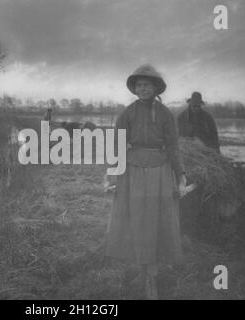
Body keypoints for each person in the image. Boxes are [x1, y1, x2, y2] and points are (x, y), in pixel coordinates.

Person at [104, 64, 187, 299]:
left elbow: (173, 147)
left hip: (161, 171)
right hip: (133, 172)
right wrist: (111, 177)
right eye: (139, 85)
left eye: (147, 85)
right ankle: (143, 272)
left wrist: (180, 176)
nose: (143, 89)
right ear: (135, 88)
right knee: (138, 220)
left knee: (158, 221)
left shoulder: (166, 115)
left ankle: (154, 276)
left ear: (155, 88)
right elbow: (118, 148)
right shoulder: (127, 113)